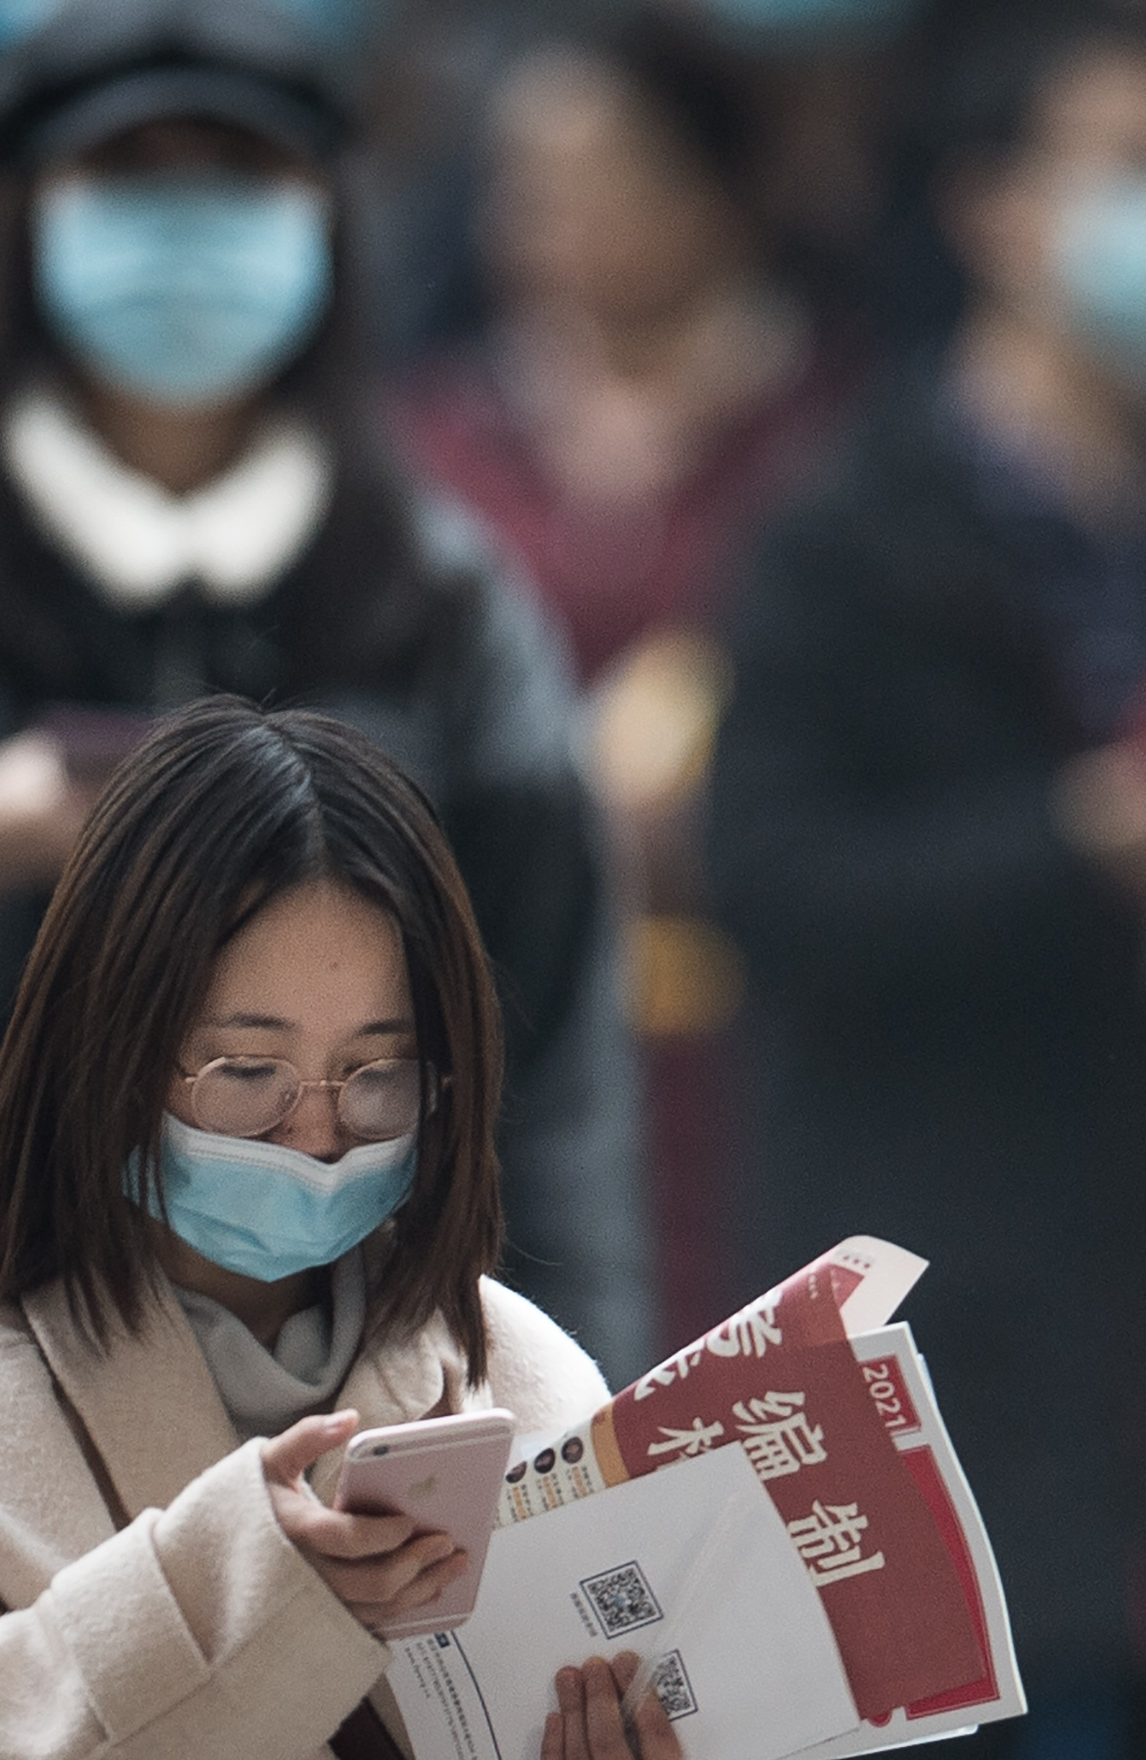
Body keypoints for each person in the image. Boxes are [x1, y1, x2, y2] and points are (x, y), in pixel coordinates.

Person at [0, 699, 813, 1760]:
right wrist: (248, 1595)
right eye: (246, 1073)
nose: (318, 1137)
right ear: (111, 1055)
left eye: (378, 1073)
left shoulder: (519, 1377)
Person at [0, 0, 648, 1509]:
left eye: (238, 180)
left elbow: (548, 1065)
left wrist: (574, 1441)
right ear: (20, 219)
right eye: (129, 176)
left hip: (346, 1427)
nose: (186, 229)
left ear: (327, 225)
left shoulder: (437, 604)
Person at [706, 18, 1146, 1760]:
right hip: (925, 1275)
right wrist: (1076, 848)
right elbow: (770, 888)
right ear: (992, 209)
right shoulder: (841, 529)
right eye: (1134, 164)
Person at [400, 1, 856, 1351]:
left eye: (601, 181)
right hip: (489, 1018)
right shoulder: (429, 441)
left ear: (717, 192)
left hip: (763, 1037)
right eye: (525, 186)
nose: (549, 223)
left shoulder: (831, 441)